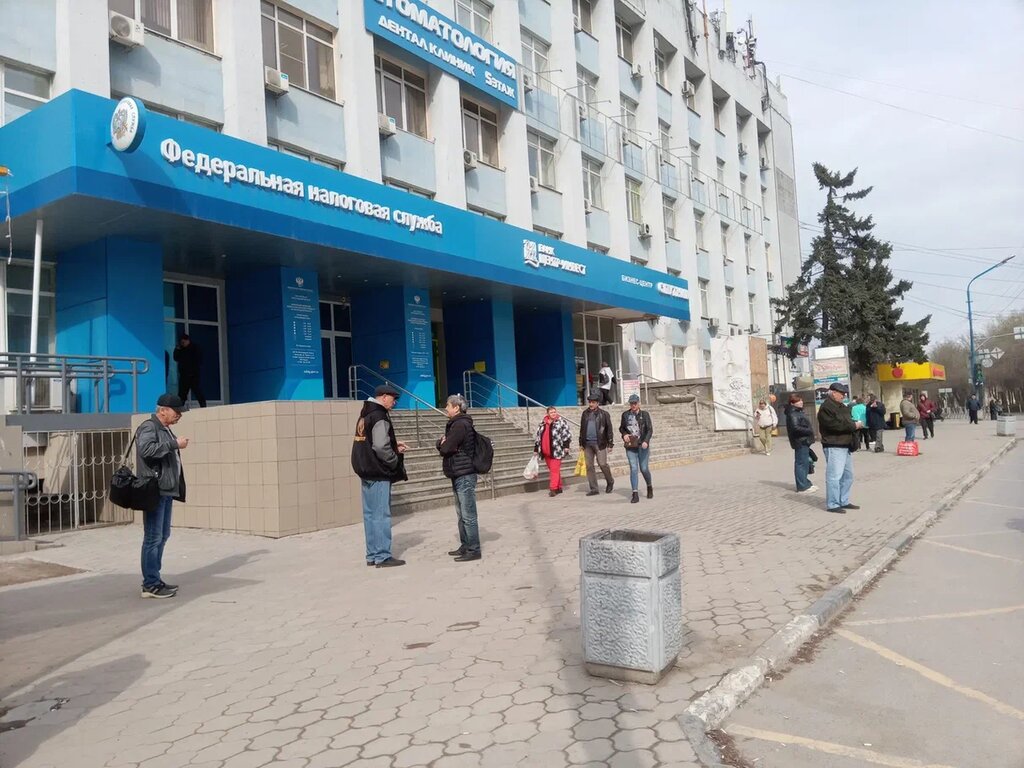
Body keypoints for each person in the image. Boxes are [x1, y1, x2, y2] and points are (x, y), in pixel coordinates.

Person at [136, 394, 189, 599]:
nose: (179, 416)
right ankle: (150, 584)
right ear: (163, 410)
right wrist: (174, 444)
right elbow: (146, 450)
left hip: (165, 490)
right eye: (177, 412)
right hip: (154, 490)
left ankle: (155, 579)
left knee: (163, 535)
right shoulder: (149, 427)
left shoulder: (164, 428)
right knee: (153, 537)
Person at [351, 384, 408, 568]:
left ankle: (372, 554)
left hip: (365, 469)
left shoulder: (365, 414)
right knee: (381, 515)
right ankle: (383, 556)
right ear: (384, 397)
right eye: (393, 398)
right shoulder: (379, 416)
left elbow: (370, 441)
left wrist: (393, 445)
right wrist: (393, 459)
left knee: (369, 514)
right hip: (378, 471)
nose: (395, 402)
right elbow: (380, 446)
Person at [437, 394, 481, 562]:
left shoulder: (460, 424)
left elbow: (446, 447)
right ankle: (465, 545)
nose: (446, 408)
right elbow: (446, 445)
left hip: (464, 474)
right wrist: (442, 443)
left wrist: (441, 444)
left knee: (468, 514)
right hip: (457, 472)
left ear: (456, 408)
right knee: (461, 513)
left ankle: (474, 549)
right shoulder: (456, 424)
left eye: (448, 405)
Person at [817, 382, 862, 514]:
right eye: (841, 393)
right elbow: (834, 426)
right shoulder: (826, 408)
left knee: (848, 476)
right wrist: (853, 426)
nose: (843, 396)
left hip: (845, 444)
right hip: (834, 445)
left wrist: (855, 424)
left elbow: (848, 421)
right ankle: (832, 504)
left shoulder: (843, 407)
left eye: (844, 394)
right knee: (834, 476)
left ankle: (843, 500)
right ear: (833, 393)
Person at [579, 391, 615, 497]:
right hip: (587, 444)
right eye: (590, 402)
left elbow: (609, 430)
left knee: (602, 464)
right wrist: (581, 442)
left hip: (600, 443)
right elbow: (582, 429)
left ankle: (610, 481)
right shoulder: (585, 413)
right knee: (589, 466)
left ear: (598, 403)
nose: (591, 404)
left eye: (593, 402)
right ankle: (594, 488)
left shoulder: (604, 414)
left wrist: (610, 444)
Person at [619, 394, 654, 503]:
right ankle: (635, 493)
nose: (633, 405)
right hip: (631, 446)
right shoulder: (625, 415)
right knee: (634, 468)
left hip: (642, 445)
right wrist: (624, 434)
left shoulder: (645, 414)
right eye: (631, 403)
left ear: (639, 403)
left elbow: (649, 429)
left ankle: (649, 486)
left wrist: (646, 441)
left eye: (635, 403)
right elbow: (622, 428)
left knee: (644, 468)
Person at [533, 405, 573, 498]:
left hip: (557, 450)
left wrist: (566, 446)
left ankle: (553, 489)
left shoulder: (561, 422)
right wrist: (536, 449)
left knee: (554, 470)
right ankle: (559, 487)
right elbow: (538, 437)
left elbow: (566, 435)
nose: (553, 414)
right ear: (547, 414)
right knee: (553, 470)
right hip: (546, 451)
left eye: (554, 412)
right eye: (551, 412)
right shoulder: (542, 423)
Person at [784, 393, 817, 493]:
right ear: (792, 403)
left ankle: (806, 483)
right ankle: (802, 486)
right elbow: (795, 428)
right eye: (798, 401)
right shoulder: (792, 414)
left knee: (805, 463)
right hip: (800, 441)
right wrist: (809, 430)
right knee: (801, 463)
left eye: (801, 400)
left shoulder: (798, 412)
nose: (801, 402)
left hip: (804, 440)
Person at [173, 334, 207, 408]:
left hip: (193, 374)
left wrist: (194, 369)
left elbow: (199, 359)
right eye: (181, 342)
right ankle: (179, 407)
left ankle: (203, 405)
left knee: (197, 390)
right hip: (184, 375)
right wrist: (177, 349)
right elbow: (175, 358)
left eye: (184, 342)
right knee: (182, 393)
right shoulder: (180, 349)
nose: (183, 344)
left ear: (187, 341)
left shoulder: (195, 348)